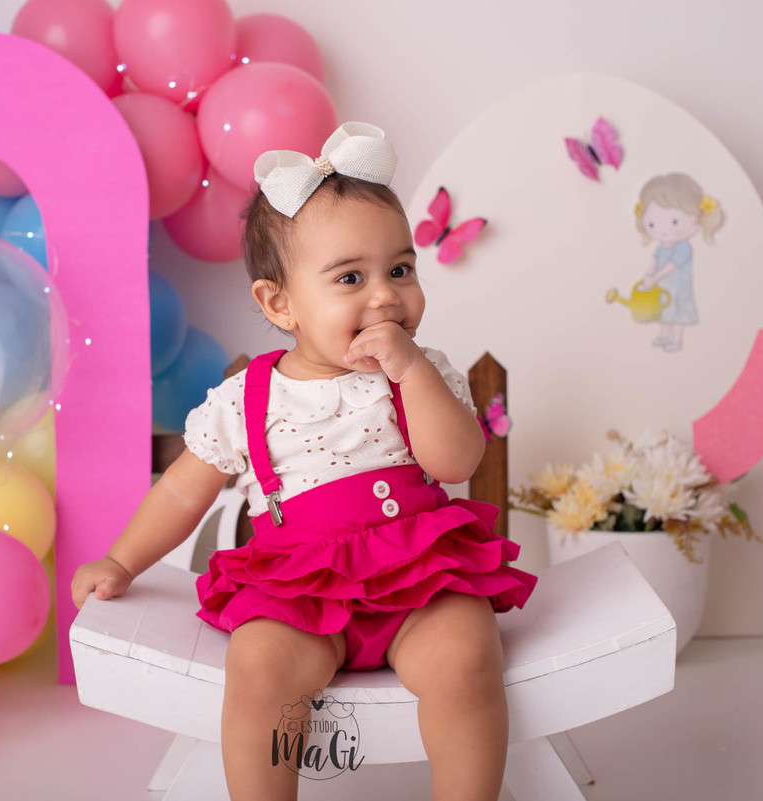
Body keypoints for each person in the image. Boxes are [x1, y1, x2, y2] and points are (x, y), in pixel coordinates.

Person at [72, 122, 537, 801]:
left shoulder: (422, 372)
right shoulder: (246, 399)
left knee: (466, 657)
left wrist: (410, 371)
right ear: (279, 303)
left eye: (400, 270)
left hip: (420, 577)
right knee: (259, 669)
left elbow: (457, 459)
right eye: (350, 277)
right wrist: (121, 560)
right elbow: (180, 492)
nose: (385, 296)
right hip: (300, 587)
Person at [635, 172, 724, 352]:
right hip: (662, 287)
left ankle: (675, 339)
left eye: (674, 222)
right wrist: (648, 273)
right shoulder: (661, 246)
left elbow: (671, 266)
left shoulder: (684, 247)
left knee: (676, 313)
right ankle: (663, 335)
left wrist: (655, 277)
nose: (663, 231)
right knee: (663, 310)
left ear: (697, 218)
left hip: (678, 288)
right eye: (652, 224)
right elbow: (655, 260)